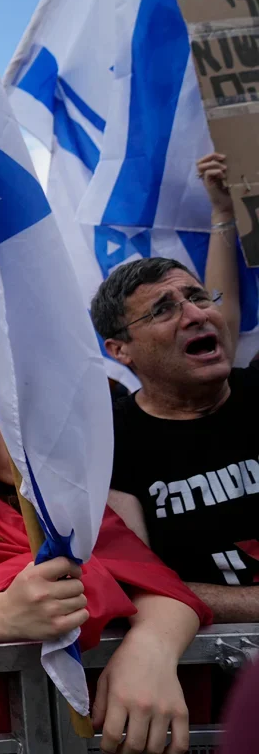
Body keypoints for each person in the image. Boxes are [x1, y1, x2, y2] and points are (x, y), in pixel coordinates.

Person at [0, 351, 211, 744]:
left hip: (94, 720)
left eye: (45, 420)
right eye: (13, 421)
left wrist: (152, 648)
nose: (35, 437)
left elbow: (155, 583)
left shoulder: (67, 494)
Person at [96, 153, 259, 623]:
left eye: (197, 296)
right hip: (211, 665)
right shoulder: (112, 442)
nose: (194, 314)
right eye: (162, 310)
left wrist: (225, 211)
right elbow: (141, 585)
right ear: (120, 350)